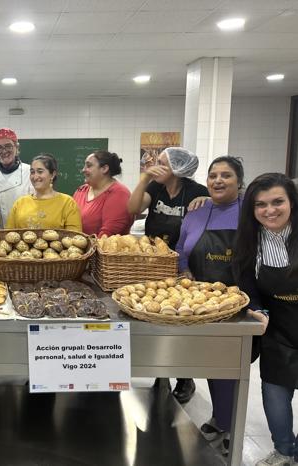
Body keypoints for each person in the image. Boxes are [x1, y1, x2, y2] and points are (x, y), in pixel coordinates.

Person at [175, 156, 245, 455]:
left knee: (229, 366)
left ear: (239, 182)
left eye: (226, 175)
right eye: (213, 175)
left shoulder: (249, 213)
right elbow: (180, 248)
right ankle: (220, 418)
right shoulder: (196, 212)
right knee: (209, 363)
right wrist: (183, 270)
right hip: (198, 301)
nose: (218, 180)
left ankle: (231, 425)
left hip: (235, 301)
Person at [127, 146, 208, 404]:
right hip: (155, 263)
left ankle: (185, 377)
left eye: (162, 162)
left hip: (185, 266)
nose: (155, 165)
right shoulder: (156, 189)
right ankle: (161, 375)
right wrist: (143, 179)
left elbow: (205, 223)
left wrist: (208, 202)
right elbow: (133, 208)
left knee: (180, 320)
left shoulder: (197, 193)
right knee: (156, 318)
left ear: (179, 168)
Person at [233, 173, 298, 466]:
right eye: (260, 204)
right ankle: (284, 451)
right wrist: (258, 309)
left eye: (277, 202)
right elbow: (247, 283)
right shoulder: (249, 240)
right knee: (275, 391)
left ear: (292, 203)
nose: (269, 210)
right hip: (277, 325)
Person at [6, 153, 82, 231]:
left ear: (52, 174)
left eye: (40, 171)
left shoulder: (67, 203)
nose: (35, 177)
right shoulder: (20, 203)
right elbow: (8, 234)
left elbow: (75, 238)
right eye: (32, 172)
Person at [73, 151, 133, 236]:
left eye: (89, 166)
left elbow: (107, 235)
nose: (83, 170)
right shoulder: (81, 191)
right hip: (80, 248)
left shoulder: (119, 194)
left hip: (103, 248)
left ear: (104, 169)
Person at [0, 128, 33, 225]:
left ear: (17, 148)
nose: (4, 151)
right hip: (0, 233)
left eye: (8, 146)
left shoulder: (30, 172)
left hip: (28, 231)